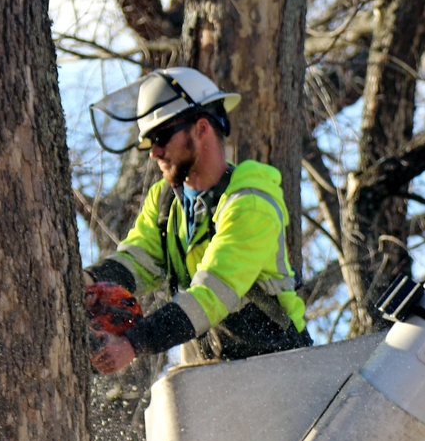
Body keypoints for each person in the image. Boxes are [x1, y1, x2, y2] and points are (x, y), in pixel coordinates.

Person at [85, 68, 310, 373]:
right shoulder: (166, 204)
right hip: (220, 372)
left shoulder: (250, 203)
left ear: (201, 128)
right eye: (151, 141)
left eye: (162, 136)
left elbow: (212, 295)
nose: (154, 152)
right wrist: (88, 282)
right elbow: (137, 261)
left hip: (284, 367)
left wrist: (132, 344)